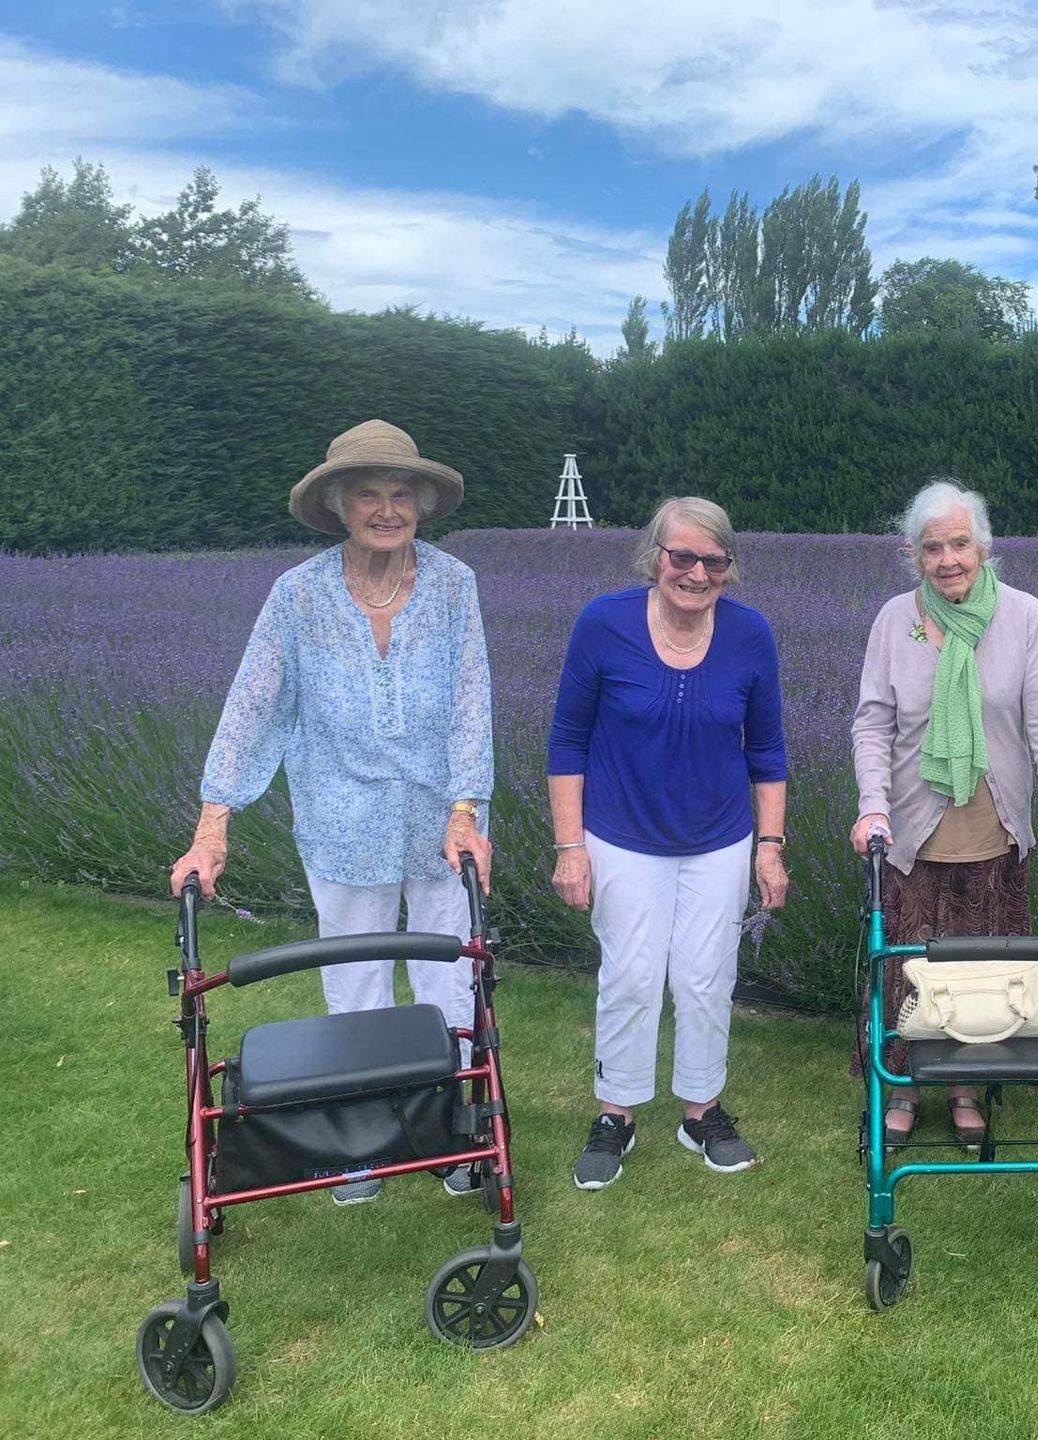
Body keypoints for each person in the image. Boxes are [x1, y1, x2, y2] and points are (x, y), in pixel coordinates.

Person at [168, 418, 495, 1206]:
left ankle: (452, 1132)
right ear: (341, 507)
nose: (388, 509)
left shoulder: (455, 585)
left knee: (449, 978)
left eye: (401, 494)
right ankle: (361, 1140)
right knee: (353, 981)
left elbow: (470, 704)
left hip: (441, 820)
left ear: (420, 503)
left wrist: (466, 809)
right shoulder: (299, 596)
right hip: (342, 820)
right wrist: (212, 828)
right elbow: (253, 707)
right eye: (369, 496)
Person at [849, 480, 1038, 1147]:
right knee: (909, 969)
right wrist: (872, 806)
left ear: (983, 546)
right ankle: (900, 1091)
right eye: (933, 548)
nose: (948, 558)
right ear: (914, 554)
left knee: (979, 971)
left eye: (959, 543)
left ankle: (963, 1088)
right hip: (911, 833)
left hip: (993, 831)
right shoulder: (894, 620)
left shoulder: (1022, 616)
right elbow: (873, 724)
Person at [551, 497, 789, 1189]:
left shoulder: (751, 635)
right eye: (681, 556)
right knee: (629, 976)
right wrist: (571, 847)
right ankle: (615, 1115)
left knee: (705, 977)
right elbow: (567, 741)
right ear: (655, 556)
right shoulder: (604, 623)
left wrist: (768, 844)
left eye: (712, 561)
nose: (695, 572)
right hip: (620, 836)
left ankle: (702, 1111)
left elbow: (768, 750)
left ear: (728, 568)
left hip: (717, 839)